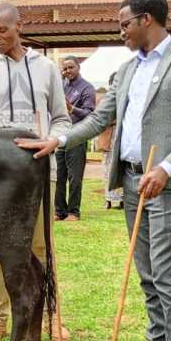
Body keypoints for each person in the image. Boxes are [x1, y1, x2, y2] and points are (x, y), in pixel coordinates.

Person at [16, 0, 171, 341]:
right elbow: (100, 119)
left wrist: (167, 167)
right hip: (131, 181)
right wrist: (59, 140)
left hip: (169, 184)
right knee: (147, 274)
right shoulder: (127, 70)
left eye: (124, 23)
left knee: (167, 276)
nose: (120, 31)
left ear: (146, 20)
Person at [0, 2, 72, 341]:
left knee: (42, 248)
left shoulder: (47, 69)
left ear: (19, 27)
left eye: (2, 30)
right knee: (3, 249)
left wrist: (53, 140)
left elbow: (61, 118)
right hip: (1, 177)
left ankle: (48, 318)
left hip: (42, 169)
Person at [55, 55, 95, 222]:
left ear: (78, 67)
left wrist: (72, 108)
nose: (67, 71)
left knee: (74, 176)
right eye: (65, 68)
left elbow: (90, 114)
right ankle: (59, 211)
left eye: (71, 67)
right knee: (58, 175)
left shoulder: (87, 88)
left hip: (77, 136)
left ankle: (73, 212)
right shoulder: (61, 87)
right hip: (59, 136)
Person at [97, 73, 123, 210]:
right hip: (108, 139)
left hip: (122, 139)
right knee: (108, 170)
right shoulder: (105, 100)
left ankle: (122, 200)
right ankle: (109, 200)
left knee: (122, 169)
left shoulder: (126, 98)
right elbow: (100, 117)